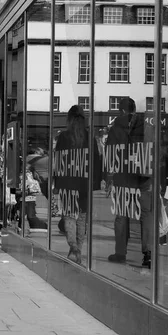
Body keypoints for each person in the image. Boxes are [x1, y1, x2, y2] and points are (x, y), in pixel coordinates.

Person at [106, 97, 154, 268]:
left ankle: (121, 252)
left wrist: (109, 178)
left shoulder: (115, 129)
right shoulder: (148, 126)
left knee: (122, 214)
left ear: (122, 111)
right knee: (146, 214)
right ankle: (148, 254)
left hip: (124, 177)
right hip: (144, 177)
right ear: (135, 109)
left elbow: (110, 155)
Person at [53, 105, 101, 265]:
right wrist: (94, 182)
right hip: (84, 183)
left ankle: (73, 247)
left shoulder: (63, 137)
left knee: (69, 216)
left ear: (69, 119)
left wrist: (57, 182)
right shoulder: (90, 138)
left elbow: (58, 162)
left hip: (68, 182)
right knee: (81, 218)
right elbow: (96, 163)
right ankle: (77, 250)